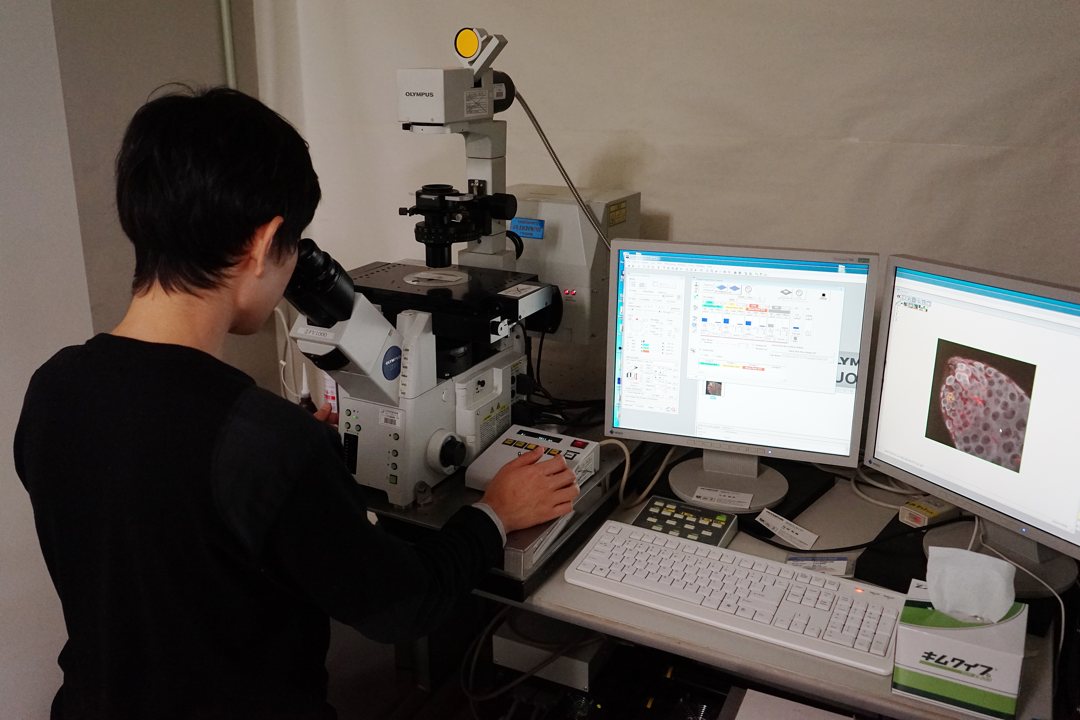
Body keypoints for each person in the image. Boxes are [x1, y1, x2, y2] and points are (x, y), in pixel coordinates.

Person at [14, 87, 580, 720]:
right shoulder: (264, 443)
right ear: (263, 244)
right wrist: (495, 514)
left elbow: (158, 529)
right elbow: (404, 607)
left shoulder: (53, 388)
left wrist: (290, 478)